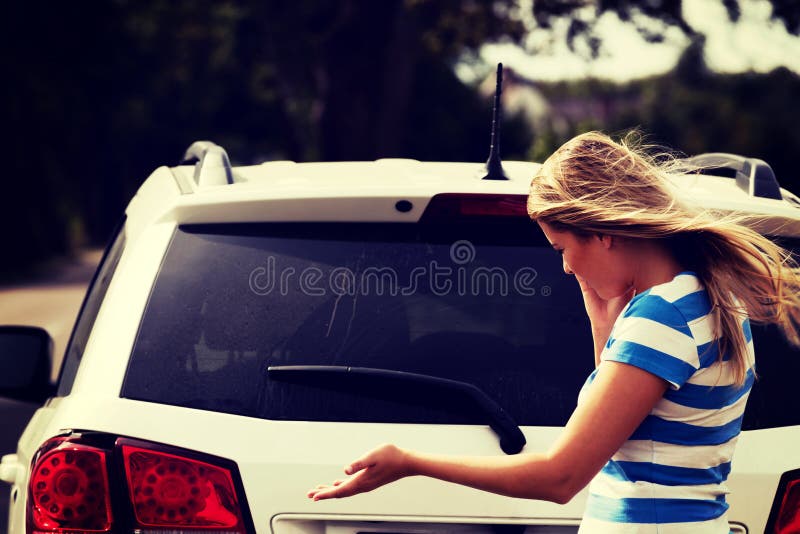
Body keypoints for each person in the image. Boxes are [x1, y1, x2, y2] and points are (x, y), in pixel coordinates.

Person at [307, 131, 800, 533]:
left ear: (603, 232)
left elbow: (561, 477)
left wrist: (409, 461)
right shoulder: (710, 298)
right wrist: (603, 320)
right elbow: (628, 427)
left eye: (561, 246)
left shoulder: (661, 318)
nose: (563, 267)